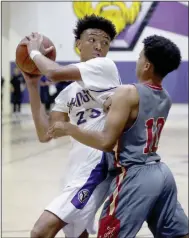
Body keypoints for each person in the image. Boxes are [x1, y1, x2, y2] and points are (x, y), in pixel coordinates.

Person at [48, 35, 189, 238]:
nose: (137, 60)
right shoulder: (165, 97)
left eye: (140, 56)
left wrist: (70, 128)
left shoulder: (127, 92)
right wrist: (113, 104)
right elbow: (135, 112)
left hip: (133, 175)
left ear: (147, 65)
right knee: (178, 234)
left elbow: (106, 142)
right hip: (161, 174)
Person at [21, 15, 122, 238]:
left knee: (40, 231)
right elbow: (44, 134)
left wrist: (35, 52)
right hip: (73, 171)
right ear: (78, 44)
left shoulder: (105, 67)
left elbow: (54, 73)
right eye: (92, 39)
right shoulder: (68, 93)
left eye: (105, 43)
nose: (99, 46)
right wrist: (33, 86)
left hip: (97, 167)